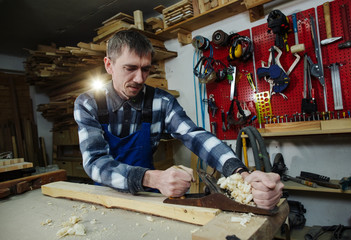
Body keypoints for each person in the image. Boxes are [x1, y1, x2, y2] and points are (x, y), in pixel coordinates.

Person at [74, 30, 283, 210]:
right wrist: (150, 177)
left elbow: (195, 136)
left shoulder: (160, 101)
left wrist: (240, 174)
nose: (139, 79)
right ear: (109, 65)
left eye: (145, 69)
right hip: (106, 197)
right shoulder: (89, 104)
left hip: (150, 197)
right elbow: (95, 162)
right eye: (130, 68)